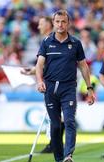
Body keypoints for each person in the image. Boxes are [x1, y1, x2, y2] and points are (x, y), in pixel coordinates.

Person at [35, 10, 95, 162]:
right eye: (57, 22)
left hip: (68, 88)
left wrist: (89, 88)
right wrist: (39, 81)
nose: (60, 25)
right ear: (53, 23)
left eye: (63, 22)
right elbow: (39, 65)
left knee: (69, 121)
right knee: (55, 126)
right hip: (50, 88)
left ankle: (68, 156)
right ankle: (59, 159)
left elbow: (83, 66)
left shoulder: (75, 43)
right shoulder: (47, 42)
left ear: (68, 24)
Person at [22, 16, 65, 153]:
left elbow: (51, 64)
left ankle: (55, 145)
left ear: (48, 24)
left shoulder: (54, 39)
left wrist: (35, 73)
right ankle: (55, 144)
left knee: (58, 114)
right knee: (57, 114)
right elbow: (44, 65)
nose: (39, 27)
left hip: (61, 81)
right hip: (53, 80)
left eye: (41, 24)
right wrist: (33, 71)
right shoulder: (46, 40)